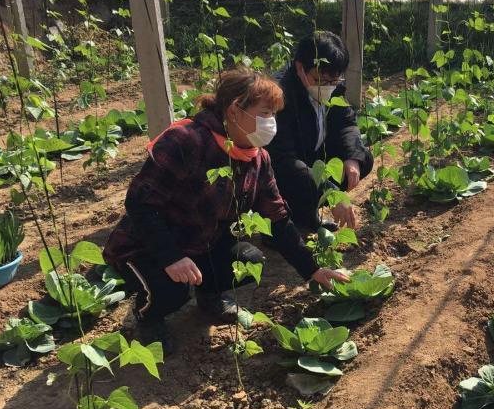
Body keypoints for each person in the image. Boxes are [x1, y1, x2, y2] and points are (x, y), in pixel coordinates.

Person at [103, 66, 349, 353]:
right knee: (172, 290)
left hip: (203, 241)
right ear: (234, 110)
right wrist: (172, 257)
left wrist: (313, 269)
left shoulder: (258, 159)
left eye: (274, 114)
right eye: (265, 113)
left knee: (249, 260)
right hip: (147, 245)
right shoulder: (186, 141)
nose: (272, 122)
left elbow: (278, 220)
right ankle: (147, 316)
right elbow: (139, 204)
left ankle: (210, 296)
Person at [269, 30, 373, 231]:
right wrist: (330, 192)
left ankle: (307, 215)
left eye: (334, 80)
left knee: (362, 158)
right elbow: (282, 160)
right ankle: (282, 222)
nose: (327, 87)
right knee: (290, 177)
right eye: (320, 80)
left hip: (310, 161)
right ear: (300, 68)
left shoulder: (332, 87)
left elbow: (347, 123)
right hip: (284, 171)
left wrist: (353, 159)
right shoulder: (280, 94)